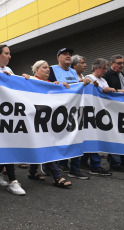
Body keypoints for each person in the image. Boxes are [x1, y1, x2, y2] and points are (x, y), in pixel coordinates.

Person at [0, 43, 26, 195]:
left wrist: (25, 79)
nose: (10, 56)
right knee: (0, 145)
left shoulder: (9, 70)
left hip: (9, 113)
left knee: (8, 143)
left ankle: (11, 180)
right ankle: (5, 176)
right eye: (7, 53)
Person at [28, 60, 72, 187]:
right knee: (46, 146)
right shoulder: (30, 80)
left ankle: (32, 172)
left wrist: (61, 86)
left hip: (46, 121)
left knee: (40, 145)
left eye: (48, 68)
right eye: (44, 67)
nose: (48, 70)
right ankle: (57, 177)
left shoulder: (49, 84)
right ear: (36, 70)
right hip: (35, 120)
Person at [48, 48, 89, 180]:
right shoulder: (52, 69)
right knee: (58, 139)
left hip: (74, 110)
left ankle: (74, 168)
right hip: (58, 110)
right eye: (65, 54)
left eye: (70, 55)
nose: (68, 56)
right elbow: (44, 84)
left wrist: (84, 82)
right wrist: (57, 84)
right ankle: (56, 164)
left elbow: (76, 86)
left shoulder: (73, 71)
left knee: (76, 136)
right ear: (58, 58)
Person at [78, 58, 114, 176]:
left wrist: (110, 90)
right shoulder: (89, 78)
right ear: (96, 68)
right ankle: (95, 165)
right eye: (104, 68)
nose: (105, 70)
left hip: (101, 112)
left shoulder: (103, 80)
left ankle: (83, 161)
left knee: (91, 137)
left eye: (106, 68)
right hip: (91, 112)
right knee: (93, 137)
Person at [103, 54, 124, 172]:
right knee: (114, 135)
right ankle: (115, 163)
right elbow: (106, 90)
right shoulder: (107, 75)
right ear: (112, 64)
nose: (122, 65)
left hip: (121, 109)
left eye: (123, 63)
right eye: (119, 63)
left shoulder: (122, 75)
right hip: (112, 110)